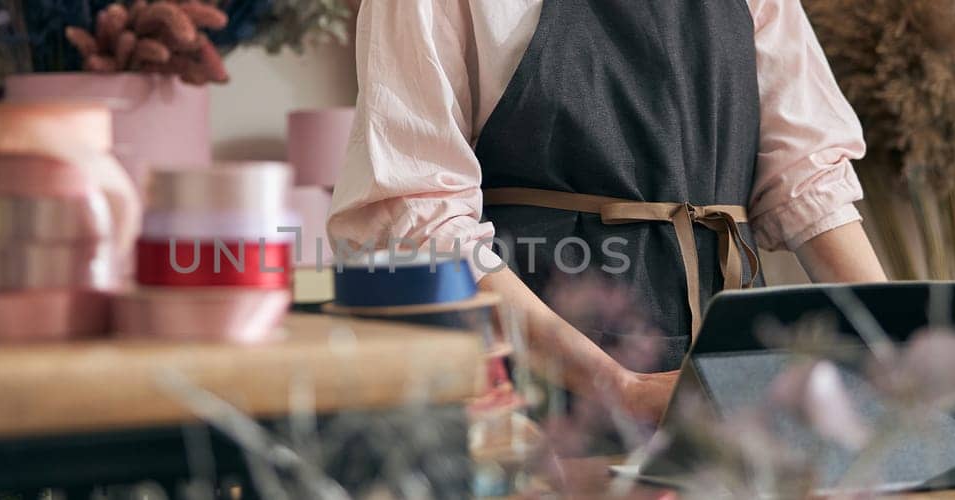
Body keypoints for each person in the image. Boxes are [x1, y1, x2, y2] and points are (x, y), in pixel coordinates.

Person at [327, 0, 888, 425]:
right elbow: (420, 222)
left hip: (732, 369)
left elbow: (809, 178)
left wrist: (903, 349)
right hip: (540, 379)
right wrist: (620, 389)